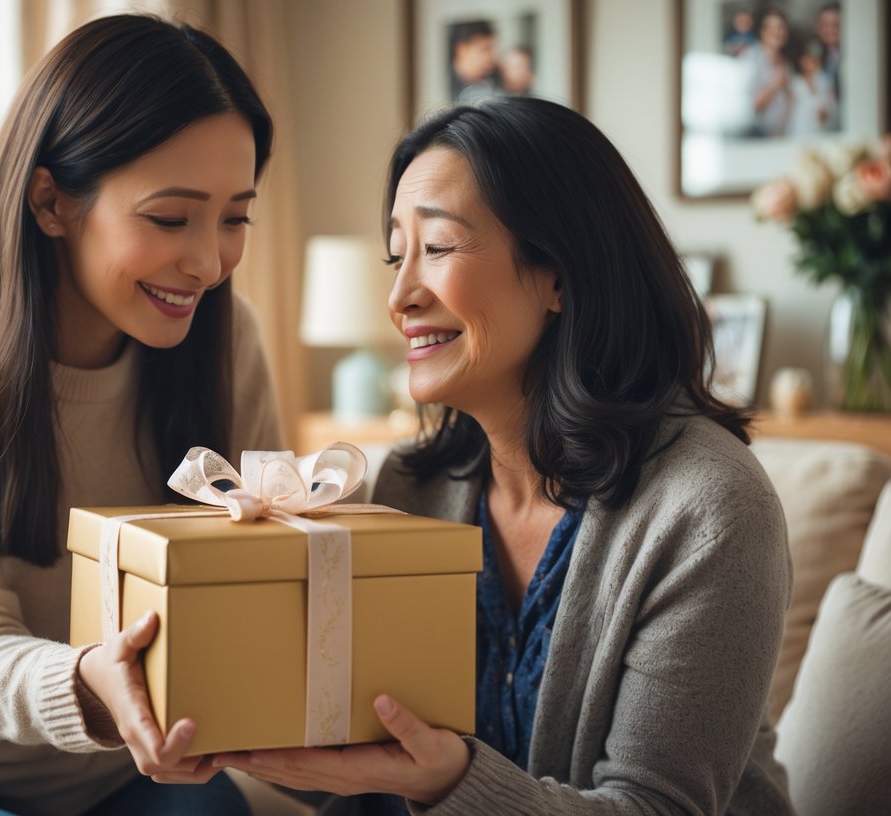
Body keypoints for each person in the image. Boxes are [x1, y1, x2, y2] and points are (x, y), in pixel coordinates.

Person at [212, 97, 793, 814]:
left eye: (440, 247)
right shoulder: (411, 485)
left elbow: (656, 807)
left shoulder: (709, 507)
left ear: (558, 273)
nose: (400, 295)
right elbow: (359, 768)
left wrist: (447, 779)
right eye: (397, 255)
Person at [0, 13, 282, 816]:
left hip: (129, 779)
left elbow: (270, 580)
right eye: (170, 218)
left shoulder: (225, 341)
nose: (210, 262)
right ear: (50, 200)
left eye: (236, 217)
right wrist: (85, 682)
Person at [742, 7, 794, 137]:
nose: (776, 32)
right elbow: (745, 108)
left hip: (780, 136)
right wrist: (774, 86)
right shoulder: (750, 58)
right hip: (755, 136)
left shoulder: (786, 63)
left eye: (781, 27)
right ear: (762, 32)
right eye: (771, 27)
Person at [788, 37, 839, 137]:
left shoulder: (825, 82)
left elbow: (832, 110)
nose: (812, 63)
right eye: (809, 59)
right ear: (801, 60)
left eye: (816, 60)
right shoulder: (795, 83)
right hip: (798, 133)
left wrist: (826, 114)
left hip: (820, 134)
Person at [449, 20, 501, 105]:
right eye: (484, 49)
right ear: (462, 50)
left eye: (492, 50)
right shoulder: (445, 82)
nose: (490, 57)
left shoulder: (495, 79)